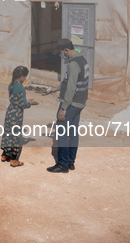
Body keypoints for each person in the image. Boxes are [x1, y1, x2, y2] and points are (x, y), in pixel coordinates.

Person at [46, 39, 89, 173]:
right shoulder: (82, 60)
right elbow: (73, 82)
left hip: (71, 104)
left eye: (61, 52)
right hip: (79, 103)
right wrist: (57, 88)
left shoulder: (73, 65)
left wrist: (64, 108)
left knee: (62, 133)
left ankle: (63, 165)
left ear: (66, 50)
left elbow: (71, 88)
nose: (61, 55)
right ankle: (71, 162)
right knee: (73, 132)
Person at [0, 66, 39, 167]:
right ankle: (14, 160)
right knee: (16, 135)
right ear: (21, 76)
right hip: (17, 114)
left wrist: (26, 101)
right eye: (25, 77)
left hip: (10, 111)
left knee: (8, 132)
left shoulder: (11, 85)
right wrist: (31, 103)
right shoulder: (20, 87)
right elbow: (23, 105)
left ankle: (4, 155)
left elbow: (16, 100)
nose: (25, 79)